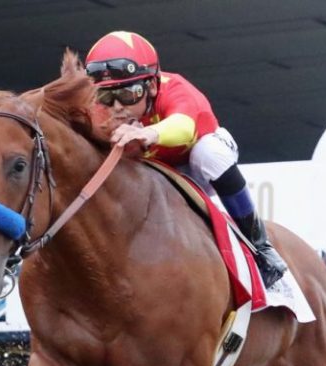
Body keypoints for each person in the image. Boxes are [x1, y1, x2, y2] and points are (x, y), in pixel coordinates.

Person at [85, 30, 287, 287]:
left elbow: (184, 127)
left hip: (196, 164)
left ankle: (261, 246)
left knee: (209, 153)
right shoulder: (98, 111)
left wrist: (149, 133)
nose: (116, 107)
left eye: (128, 94)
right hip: (151, 173)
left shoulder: (177, 88)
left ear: (152, 86)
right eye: (105, 96)